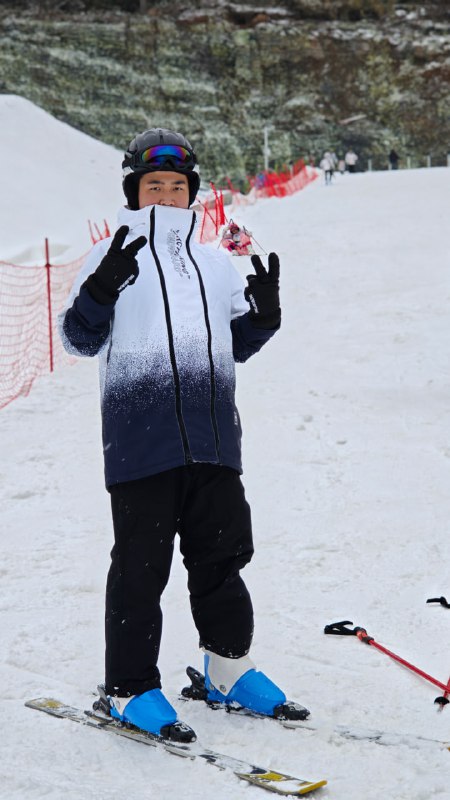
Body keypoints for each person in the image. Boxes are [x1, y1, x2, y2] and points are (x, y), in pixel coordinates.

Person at [59, 127, 309, 743]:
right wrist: (101, 288)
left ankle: (227, 669)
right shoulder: (108, 255)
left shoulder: (214, 262)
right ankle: (128, 687)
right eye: (155, 185)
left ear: (191, 191)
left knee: (223, 559)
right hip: (141, 441)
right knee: (141, 568)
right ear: (134, 191)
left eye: (177, 185)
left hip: (213, 440)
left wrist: (264, 317)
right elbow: (78, 338)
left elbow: (235, 345)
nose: (167, 195)